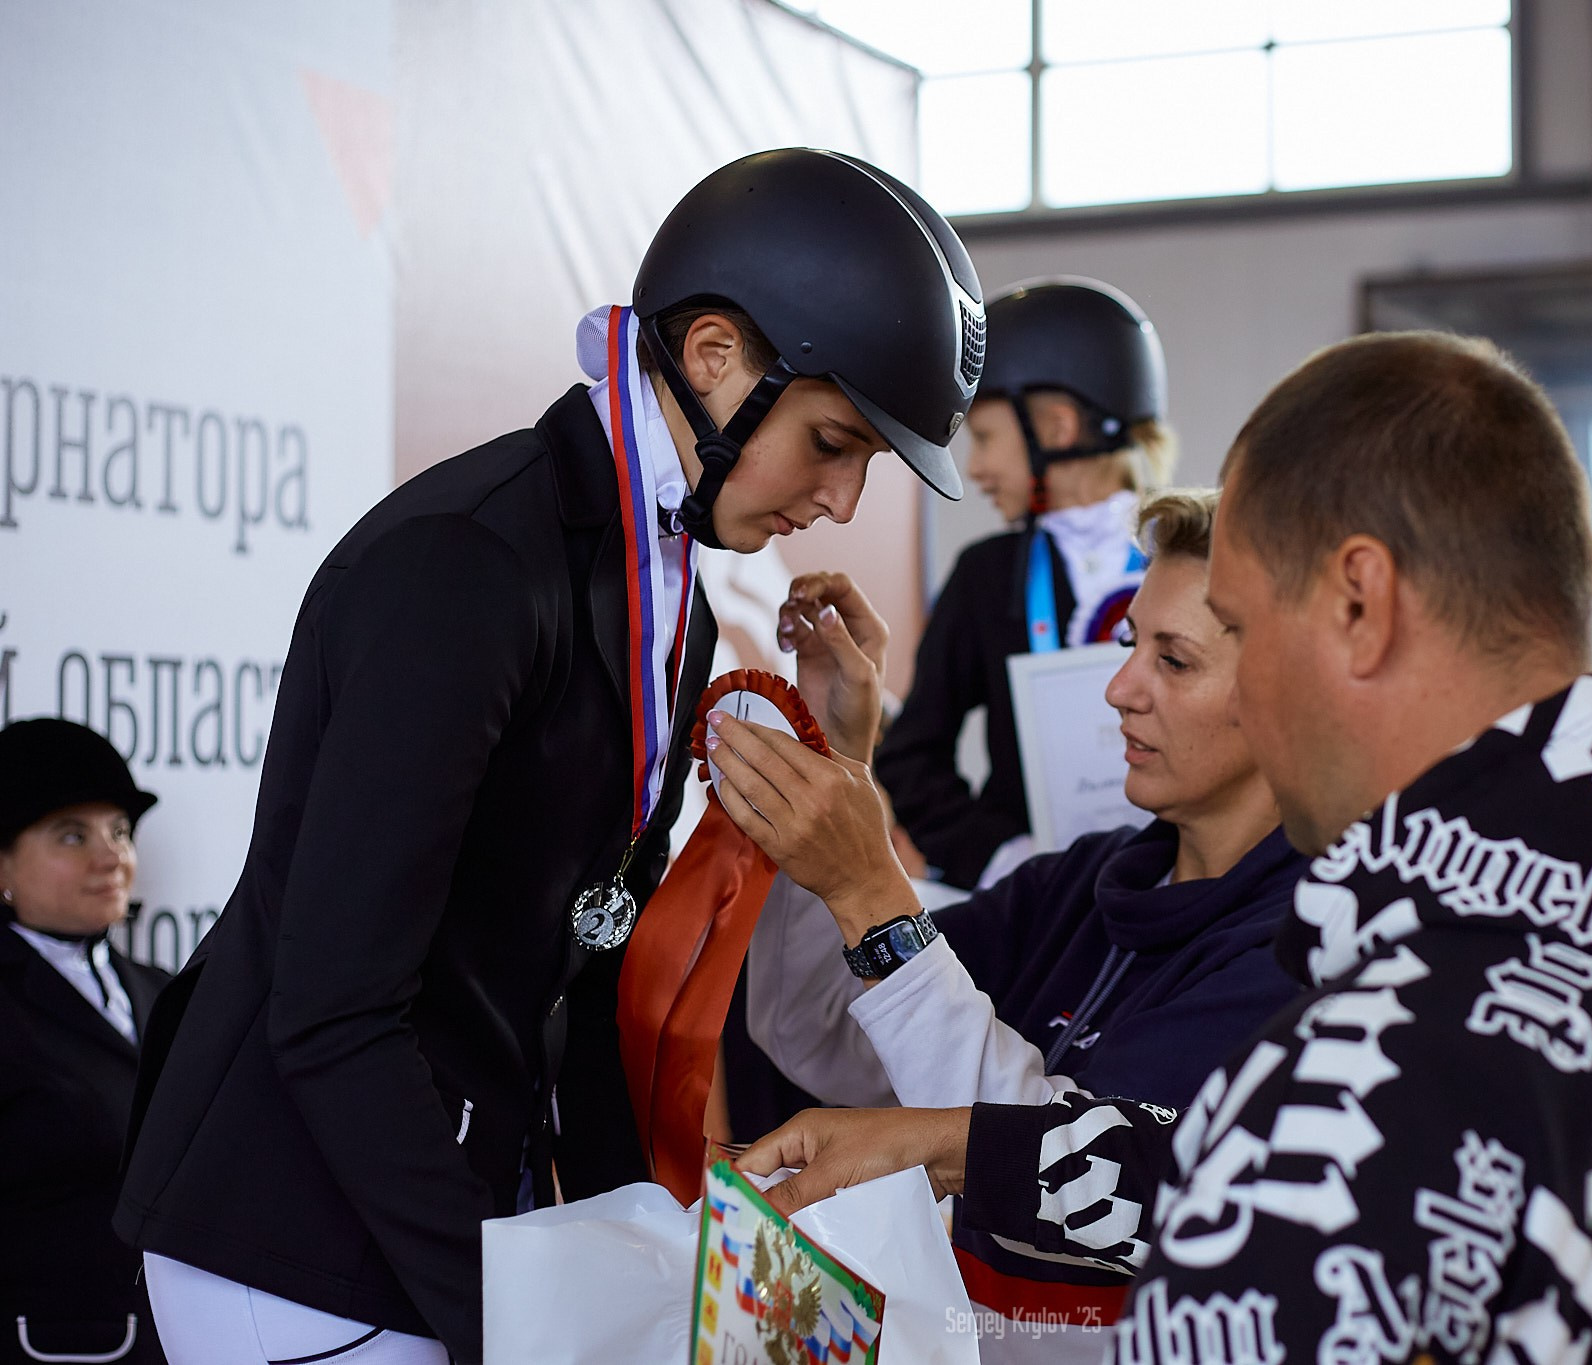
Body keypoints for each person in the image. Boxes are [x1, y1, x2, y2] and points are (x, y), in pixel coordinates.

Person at [737, 332, 1592, 1365]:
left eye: (1233, 629)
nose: (1124, 694)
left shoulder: (1352, 1089)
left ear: (1358, 604)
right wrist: (961, 1145)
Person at [116, 147, 984, 1365]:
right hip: (304, 1240)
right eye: (832, 441)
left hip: (451, 1214)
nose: (840, 502)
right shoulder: (464, 565)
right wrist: (515, 1318)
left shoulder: (661, 582)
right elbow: (331, 1011)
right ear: (717, 357)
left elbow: (579, 961)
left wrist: (658, 1262)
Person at [734, 490, 1303, 1360]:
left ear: (1295, 695)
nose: (1119, 689)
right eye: (1129, 646)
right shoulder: (1084, 883)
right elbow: (821, 1030)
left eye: (1175, 661)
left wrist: (872, 890)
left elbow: (1080, 1176)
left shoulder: (1304, 949)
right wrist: (837, 766)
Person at [876, 278, 1174, 889]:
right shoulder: (986, 577)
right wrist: (1000, 859)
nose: (976, 468)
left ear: (1058, 426)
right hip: (1037, 897)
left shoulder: (1187, 560)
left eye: (984, 438)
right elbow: (911, 757)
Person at [0, 719, 167, 1365]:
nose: (111, 856)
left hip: (170, 1337)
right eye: (73, 834)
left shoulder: (159, 988)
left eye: (120, 831)